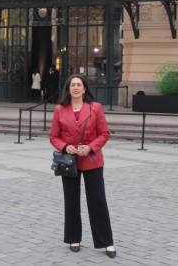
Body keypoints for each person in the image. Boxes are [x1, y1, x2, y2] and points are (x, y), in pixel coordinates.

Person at [49, 74, 116, 258]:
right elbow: (53, 136)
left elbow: (104, 133)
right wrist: (64, 146)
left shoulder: (95, 108)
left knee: (98, 200)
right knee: (71, 200)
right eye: (73, 85)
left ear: (85, 88)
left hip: (92, 160)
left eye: (79, 85)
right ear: (68, 89)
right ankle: (73, 238)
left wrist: (90, 147)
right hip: (69, 162)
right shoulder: (59, 109)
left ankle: (106, 242)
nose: (76, 88)